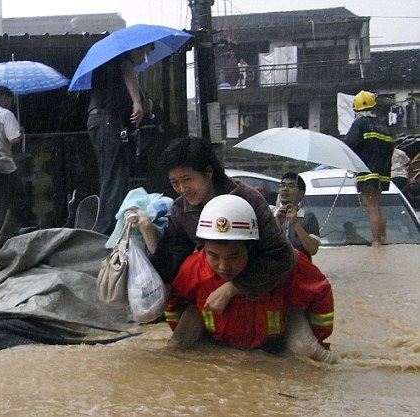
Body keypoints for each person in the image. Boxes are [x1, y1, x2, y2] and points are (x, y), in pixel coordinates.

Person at [125, 137, 295, 315]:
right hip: (212, 297)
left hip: (264, 293)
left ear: (208, 172)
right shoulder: (181, 209)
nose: (183, 189)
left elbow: (282, 256)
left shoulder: (249, 200)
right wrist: (146, 230)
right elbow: (170, 265)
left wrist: (233, 288)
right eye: (175, 182)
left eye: (187, 179)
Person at [165, 194, 337, 363]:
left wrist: (319, 337)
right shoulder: (192, 270)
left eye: (233, 256)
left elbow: (320, 293)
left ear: (251, 247)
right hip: (218, 340)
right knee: (176, 349)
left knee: (309, 352)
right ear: (203, 248)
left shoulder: (286, 264)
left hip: (277, 340)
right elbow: (174, 304)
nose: (223, 266)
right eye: (213, 256)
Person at [87, 43, 154, 235]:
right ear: (138, 49)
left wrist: (142, 99)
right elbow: (127, 70)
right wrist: (137, 102)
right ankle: (105, 229)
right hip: (105, 119)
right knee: (114, 177)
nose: (144, 58)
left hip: (104, 120)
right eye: (145, 53)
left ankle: (108, 226)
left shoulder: (113, 67)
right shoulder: (121, 56)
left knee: (115, 175)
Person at [344, 90, 394, 246]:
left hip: (366, 171)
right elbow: (390, 149)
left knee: (370, 206)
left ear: (357, 109)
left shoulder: (360, 123)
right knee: (377, 206)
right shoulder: (383, 126)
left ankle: (376, 243)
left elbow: (350, 144)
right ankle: (383, 239)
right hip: (382, 172)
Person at [0, 86, 25, 251]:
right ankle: (3, 233)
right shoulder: (6, 114)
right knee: (18, 199)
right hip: (4, 165)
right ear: (2, 98)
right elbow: (14, 139)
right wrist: (20, 132)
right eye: (9, 99)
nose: (10, 103)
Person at [273, 172, 320, 260]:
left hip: (299, 269)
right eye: (282, 185)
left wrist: (295, 224)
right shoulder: (270, 213)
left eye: (291, 186)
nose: (285, 189)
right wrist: (276, 222)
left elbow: (313, 249)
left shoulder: (308, 217)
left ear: (301, 193)